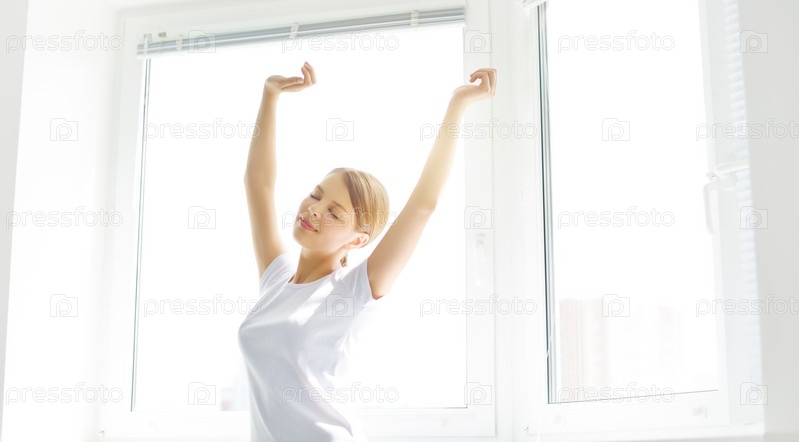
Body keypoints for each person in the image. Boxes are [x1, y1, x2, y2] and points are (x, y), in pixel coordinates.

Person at [238, 61, 497, 441]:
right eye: (315, 195)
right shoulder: (276, 280)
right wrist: (270, 95)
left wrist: (457, 105)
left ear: (357, 240)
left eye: (334, 213)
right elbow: (257, 184)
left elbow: (423, 205)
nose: (314, 210)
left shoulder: (355, 290)